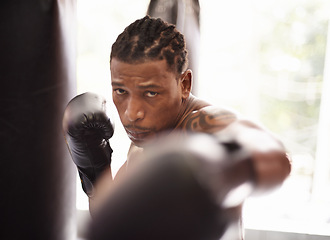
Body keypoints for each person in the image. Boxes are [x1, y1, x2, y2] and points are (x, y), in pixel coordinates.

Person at [63, 15, 291, 239]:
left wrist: (219, 166)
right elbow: (111, 223)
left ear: (184, 84)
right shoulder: (145, 142)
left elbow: (278, 157)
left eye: (151, 93)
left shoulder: (202, 125)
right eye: (121, 91)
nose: (132, 114)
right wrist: (95, 168)